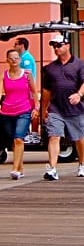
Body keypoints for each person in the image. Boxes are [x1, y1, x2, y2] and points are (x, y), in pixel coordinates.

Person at [40, 33, 84, 180]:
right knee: (53, 136)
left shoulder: (79, 64)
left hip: (74, 109)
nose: (56, 49)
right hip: (56, 108)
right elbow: (47, 91)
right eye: (54, 46)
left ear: (67, 45)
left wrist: (79, 95)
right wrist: (44, 110)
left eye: (59, 45)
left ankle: (82, 164)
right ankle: (53, 168)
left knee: (79, 137)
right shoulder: (50, 68)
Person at [0, 48, 39, 179]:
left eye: (16, 58)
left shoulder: (27, 74)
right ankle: (20, 168)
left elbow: (34, 91)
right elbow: (1, 92)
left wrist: (36, 107)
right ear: (7, 60)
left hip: (24, 110)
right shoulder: (4, 75)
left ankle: (15, 169)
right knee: (13, 140)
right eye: (11, 58)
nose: (14, 61)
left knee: (18, 138)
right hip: (7, 111)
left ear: (20, 59)